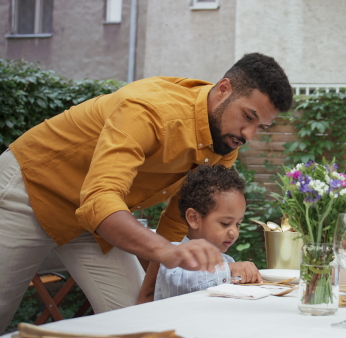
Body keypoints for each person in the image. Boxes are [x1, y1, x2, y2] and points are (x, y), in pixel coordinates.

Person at [0, 52, 292, 330]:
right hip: (29, 188)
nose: (249, 135)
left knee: (137, 316)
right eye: (248, 117)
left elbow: (174, 223)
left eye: (261, 127)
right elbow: (101, 197)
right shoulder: (149, 110)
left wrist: (149, 293)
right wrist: (165, 251)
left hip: (94, 220)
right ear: (224, 89)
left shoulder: (224, 142)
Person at [137, 165, 262, 303]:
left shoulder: (227, 261)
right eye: (225, 223)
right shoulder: (175, 256)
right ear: (194, 218)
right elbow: (182, 283)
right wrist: (229, 270)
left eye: (238, 224)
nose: (234, 232)